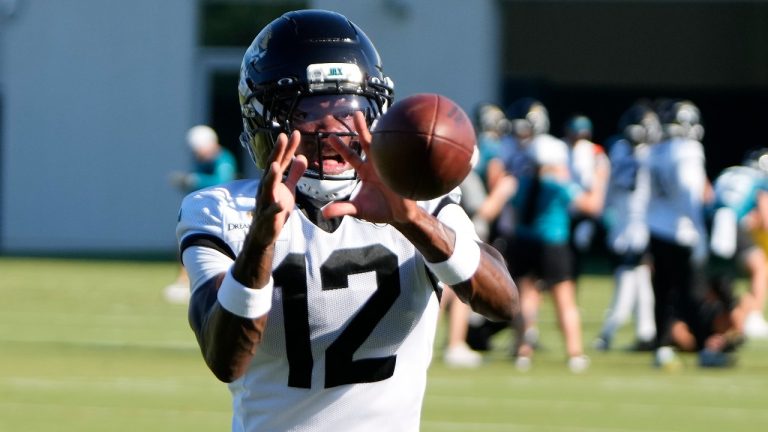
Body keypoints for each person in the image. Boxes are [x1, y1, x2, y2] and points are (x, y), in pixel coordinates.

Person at [175, 10, 518, 432]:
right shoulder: (224, 211)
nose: (334, 130)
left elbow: (503, 302)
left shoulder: (416, 199)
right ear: (265, 120)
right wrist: (261, 242)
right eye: (310, 112)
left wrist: (411, 219)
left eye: (350, 109)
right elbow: (225, 358)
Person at [504, 130, 606, 373]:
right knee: (564, 300)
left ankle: (523, 350)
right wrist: (600, 177)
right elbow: (592, 206)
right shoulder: (559, 186)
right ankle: (574, 353)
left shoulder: (523, 182)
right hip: (553, 245)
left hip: (524, 243)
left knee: (526, 299)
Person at [646, 99, 710, 369]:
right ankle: (705, 345)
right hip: (682, 230)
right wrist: (701, 233)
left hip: (657, 228)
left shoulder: (655, 151)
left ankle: (662, 345)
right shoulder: (688, 150)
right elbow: (689, 192)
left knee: (662, 293)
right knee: (692, 293)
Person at [594, 102, 659, 351]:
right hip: (628, 225)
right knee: (634, 279)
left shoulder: (638, 152)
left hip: (635, 224)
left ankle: (631, 331)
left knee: (636, 278)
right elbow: (611, 188)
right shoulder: (627, 151)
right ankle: (633, 332)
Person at [164, 125, 237, 304]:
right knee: (187, 244)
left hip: (221, 214)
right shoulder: (202, 161)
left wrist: (193, 179)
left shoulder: (223, 159)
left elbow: (222, 181)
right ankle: (185, 281)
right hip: (204, 212)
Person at [706, 149, 768, 339]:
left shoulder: (729, 173)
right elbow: (766, 220)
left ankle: (727, 320)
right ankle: (753, 316)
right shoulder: (759, 180)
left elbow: (708, 198)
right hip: (731, 225)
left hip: (709, 225)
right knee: (760, 268)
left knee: (720, 281)